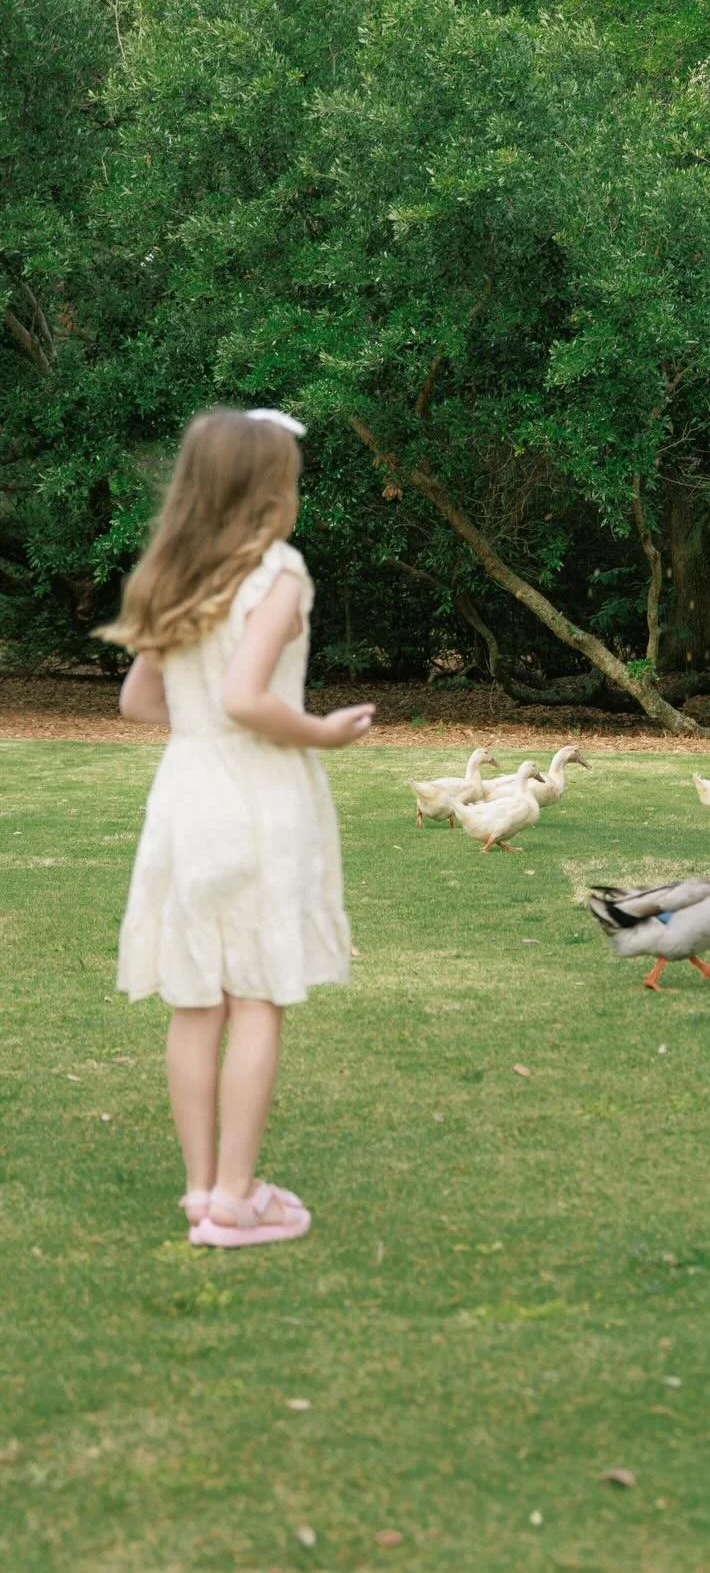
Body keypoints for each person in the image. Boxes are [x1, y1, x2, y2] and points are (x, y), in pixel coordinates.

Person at [98, 408, 374, 1248]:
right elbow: (247, 698)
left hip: (187, 795)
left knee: (196, 999)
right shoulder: (277, 573)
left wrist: (202, 731)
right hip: (256, 795)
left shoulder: (182, 574)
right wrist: (323, 730)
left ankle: (198, 1192)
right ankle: (235, 1195)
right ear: (269, 492)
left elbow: (138, 701)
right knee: (256, 994)